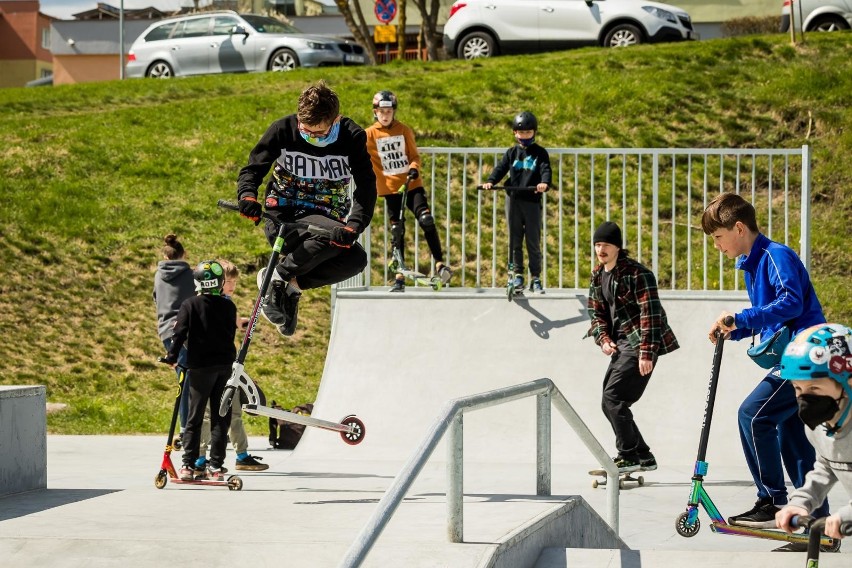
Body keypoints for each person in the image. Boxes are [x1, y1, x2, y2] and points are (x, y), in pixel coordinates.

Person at [703, 192, 828, 528]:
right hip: (798, 352)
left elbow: (792, 304)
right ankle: (816, 519)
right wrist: (735, 331)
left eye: (718, 236)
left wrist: (741, 319)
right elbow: (772, 321)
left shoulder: (776, 256)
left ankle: (772, 501)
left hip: (807, 353)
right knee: (792, 436)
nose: (716, 245)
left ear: (739, 228)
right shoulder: (752, 265)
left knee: (753, 415)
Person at [236, 80, 376, 337]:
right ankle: (276, 276)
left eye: (319, 133)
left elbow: (367, 187)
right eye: (306, 131)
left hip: (325, 219)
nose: (311, 137)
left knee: (356, 259)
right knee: (327, 235)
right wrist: (248, 196)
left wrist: (354, 224)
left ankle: (291, 285)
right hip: (284, 215)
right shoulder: (283, 129)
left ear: (336, 120)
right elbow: (253, 168)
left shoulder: (352, 137)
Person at [587, 221, 679, 473]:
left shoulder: (638, 274)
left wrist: (647, 353)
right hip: (620, 344)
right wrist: (603, 338)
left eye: (605, 244)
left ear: (617, 247)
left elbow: (651, 314)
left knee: (613, 397)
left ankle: (627, 455)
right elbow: (595, 312)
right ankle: (643, 455)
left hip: (640, 343)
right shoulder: (598, 275)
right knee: (610, 402)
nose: (601, 249)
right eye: (597, 244)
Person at [365, 90, 452, 292]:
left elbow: (414, 156)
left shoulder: (404, 130)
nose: (385, 115)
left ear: (394, 111)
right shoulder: (369, 134)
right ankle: (399, 275)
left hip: (412, 185)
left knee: (426, 220)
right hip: (390, 189)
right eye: (381, 111)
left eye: (389, 111)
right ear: (375, 112)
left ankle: (440, 264)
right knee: (397, 231)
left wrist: (413, 168)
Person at [774, 323, 852, 552]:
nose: (805, 399)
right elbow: (826, 467)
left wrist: (845, 515)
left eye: (815, 389)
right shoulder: (818, 428)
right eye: (798, 389)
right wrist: (800, 503)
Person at [162, 260, 237, 481]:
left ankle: (188, 465)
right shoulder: (229, 306)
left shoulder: (190, 305)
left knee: (194, 416)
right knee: (219, 418)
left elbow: (180, 334)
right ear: (220, 283)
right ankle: (216, 467)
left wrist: (172, 357)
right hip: (224, 366)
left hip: (199, 367)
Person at [196, 261, 268, 472]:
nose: (232, 286)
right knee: (209, 415)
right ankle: (200, 459)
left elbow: (234, 320)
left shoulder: (227, 303)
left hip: (228, 366)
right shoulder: (202, 303)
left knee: (234, 411)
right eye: (229, 281)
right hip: (208, 367)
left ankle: (242, 455)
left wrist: (242, 322)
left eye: (235, 282)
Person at [480, 111, 551, 294]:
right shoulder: (511, 153)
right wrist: (491, 181)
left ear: (534, 132)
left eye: (528, 132)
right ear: (515, 133)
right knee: (514, 239)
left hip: (532, 201)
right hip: (513, 201)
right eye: (521, 133)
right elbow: (501, 168)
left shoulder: (540, 153)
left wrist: (544, 183)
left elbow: (545, 170)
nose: (525, 136)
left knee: (533, 240)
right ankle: (517, 275)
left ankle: (535, 277)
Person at [152, 234, 195, 440]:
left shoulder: (158, 275)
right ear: (183, 254)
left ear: (164, 255)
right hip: (186, 331)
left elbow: (156, 299)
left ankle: (187, 427)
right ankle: (186, 429)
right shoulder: (191, 275)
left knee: (184, 377)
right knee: (186, 380)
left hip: (166, 332)